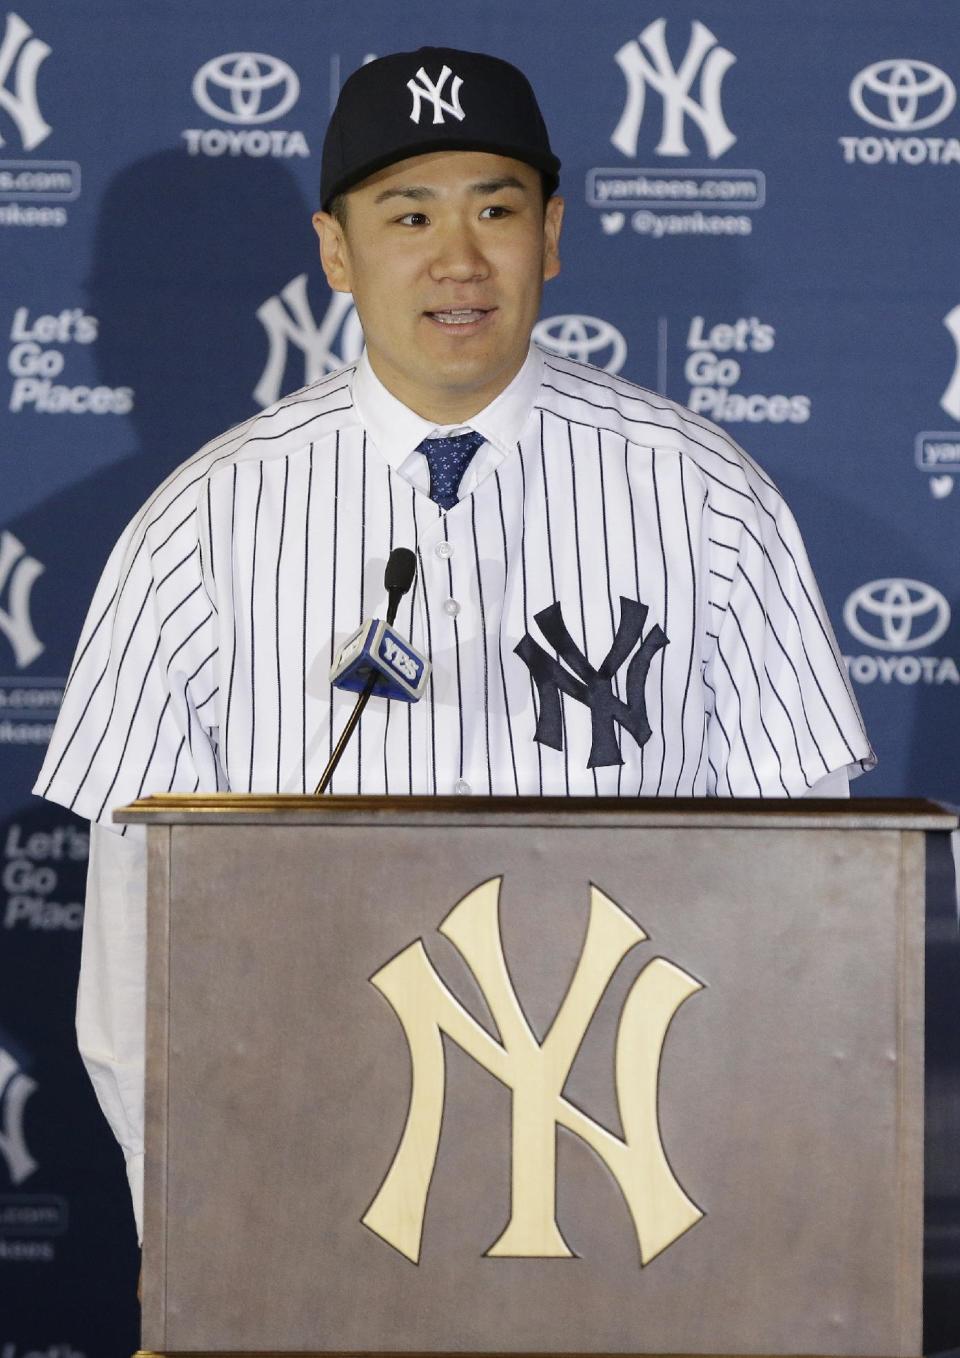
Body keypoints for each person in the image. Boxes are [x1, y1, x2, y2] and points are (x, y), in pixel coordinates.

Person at [34, 47, 874, 1240]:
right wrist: (207, 1208)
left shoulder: (705, 497)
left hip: (647, 1180)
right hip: (307, 1171)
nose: (459, 259)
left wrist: (738, 1190)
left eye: (496, 207)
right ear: (336, 250)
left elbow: (815, 902)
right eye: (408, 212)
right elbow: (132, 957)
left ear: (554, 232)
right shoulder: (201, 522)